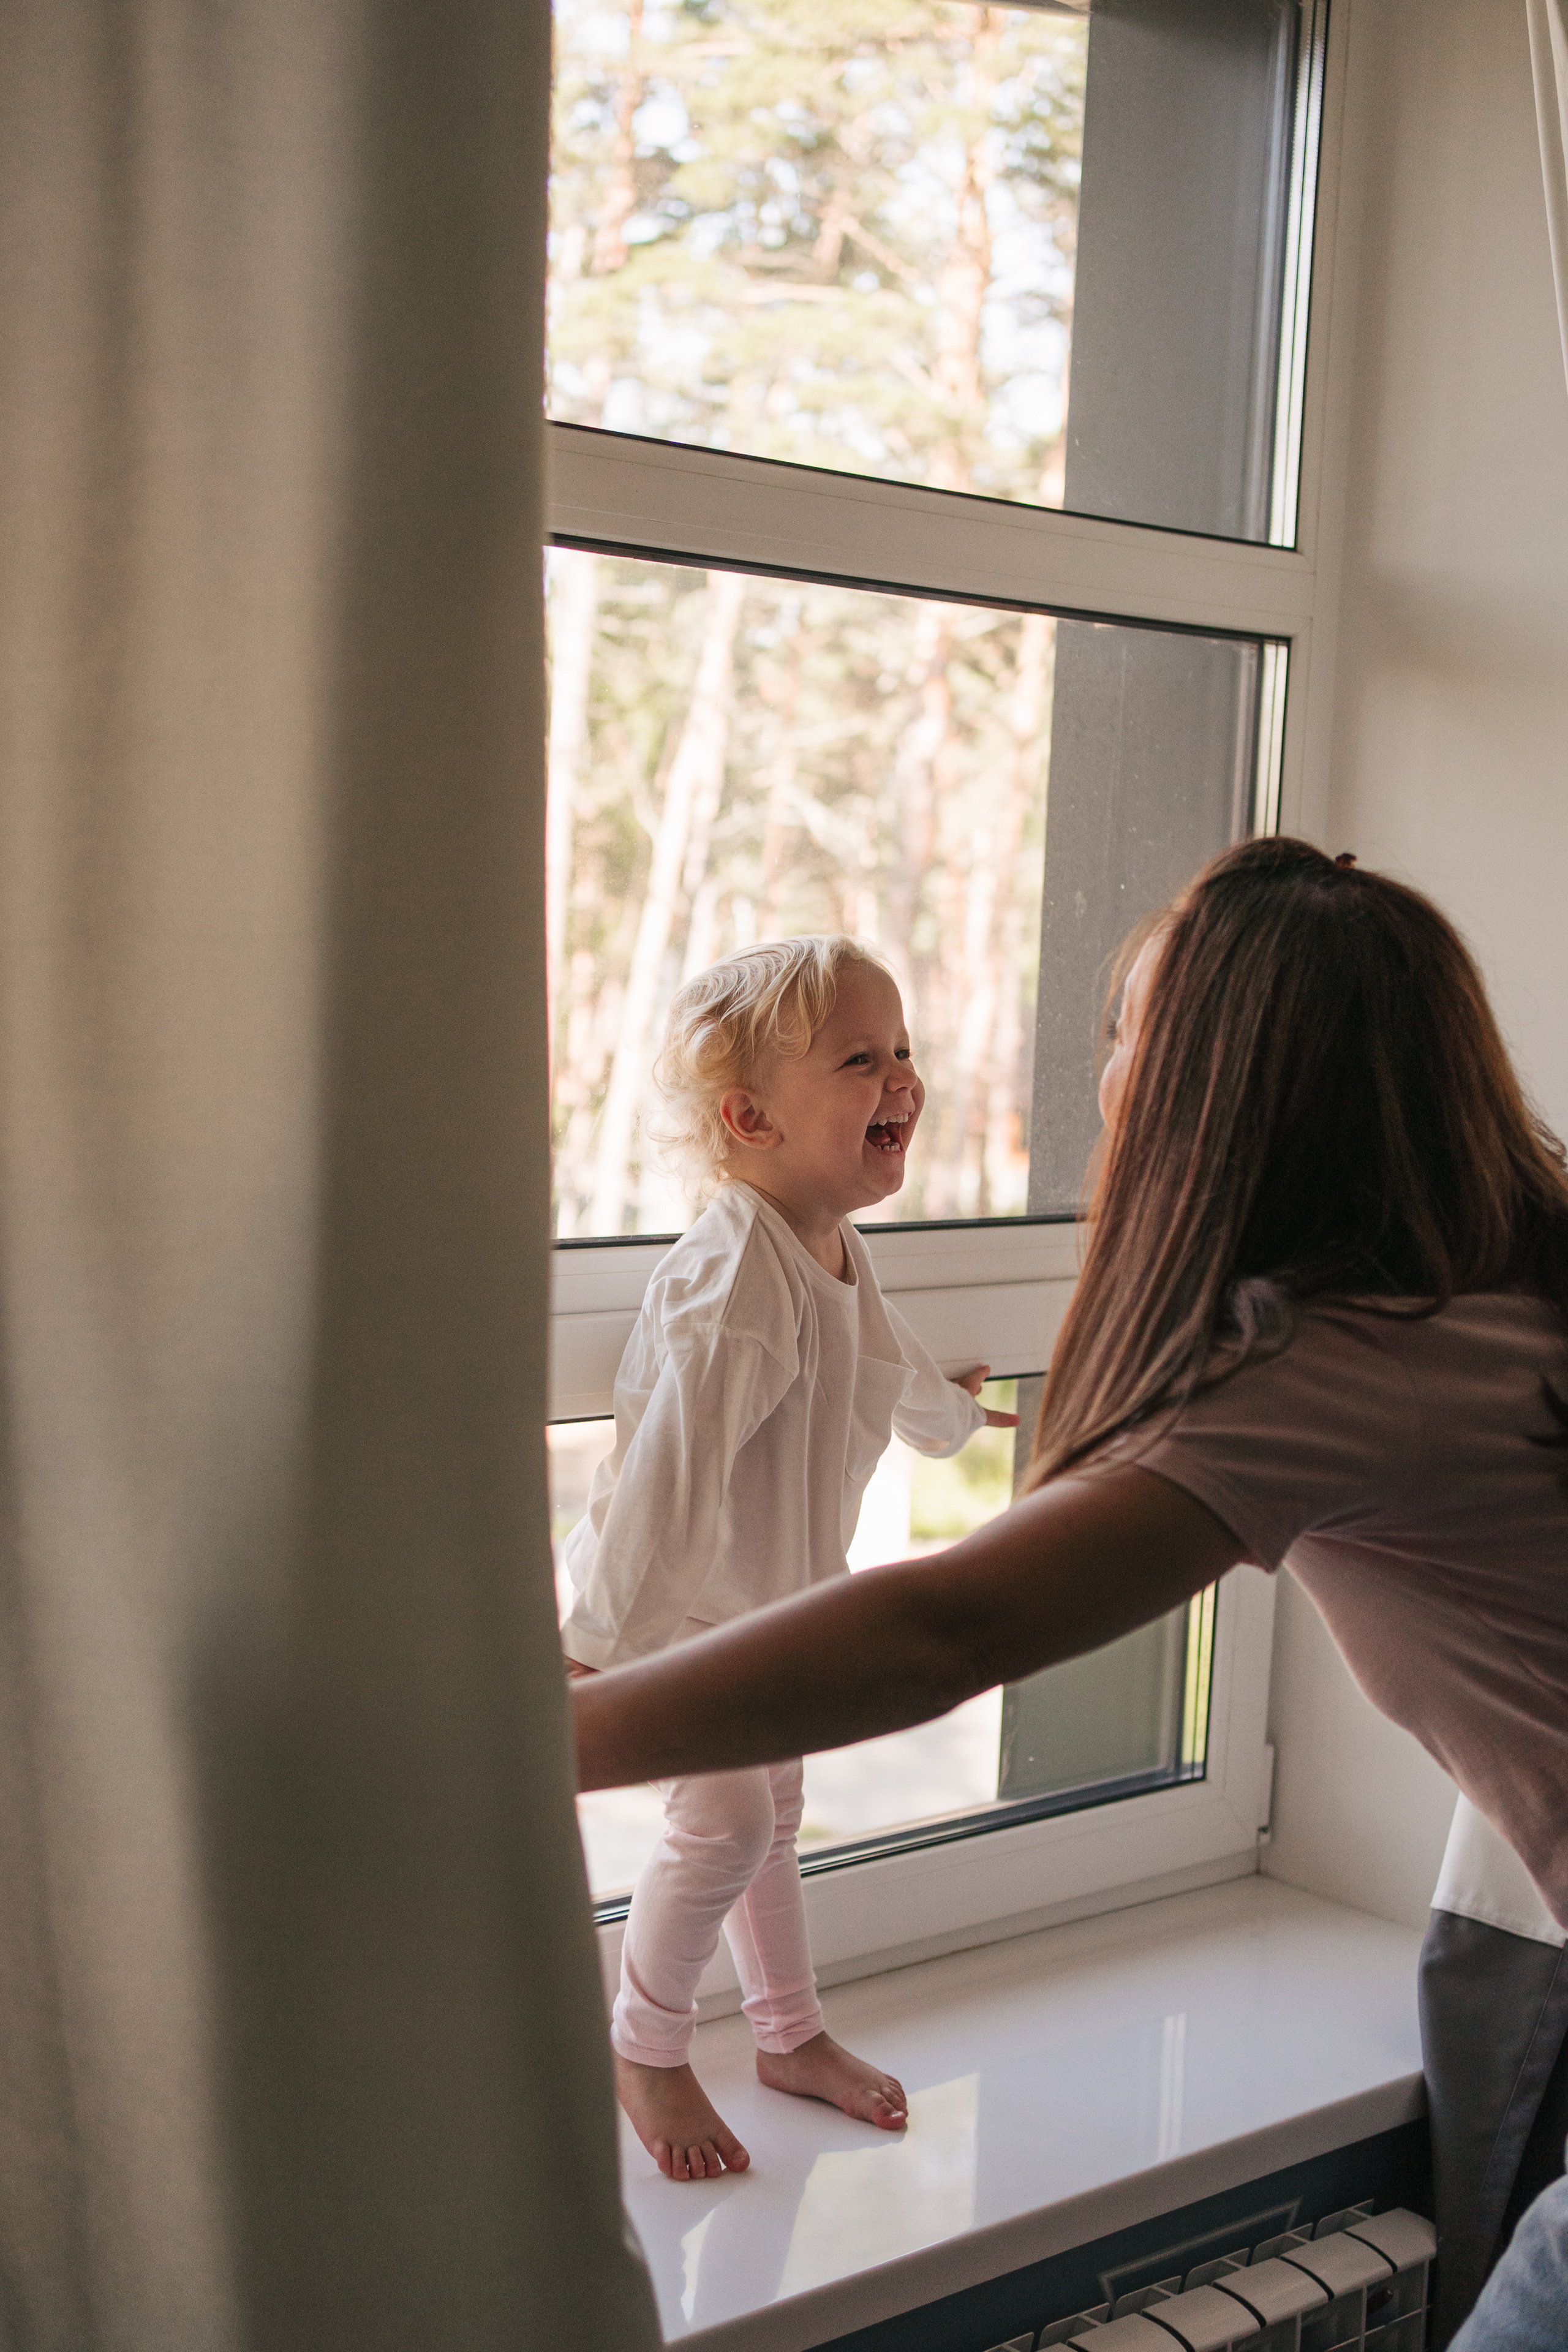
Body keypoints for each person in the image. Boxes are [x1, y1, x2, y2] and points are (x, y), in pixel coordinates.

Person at [571, 839, 1568, 2319]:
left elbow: (946, 1624)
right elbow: (674, 1479)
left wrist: (535, 1734)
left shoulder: (1339, 1359)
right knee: (749, 1816)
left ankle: (703, 2032)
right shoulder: (1500, 1274)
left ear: (1219, 1096)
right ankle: (695, 2035)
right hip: (717, 1606)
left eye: (1127, 1038)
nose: (1101, 1081)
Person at [560, 935, 1016, 2184]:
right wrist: (590, 1652)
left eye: (903, 1051)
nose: (902, 1079)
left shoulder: (829, 1248)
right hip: (680, 1617)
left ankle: (786, 2033)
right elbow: (661, 1475)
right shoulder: (730, 1277)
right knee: (720, 1823)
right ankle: (646, 2047)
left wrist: (957, 1418)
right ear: (749, 1116)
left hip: (776, 1613)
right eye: (860, 1059)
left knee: (773, 1818)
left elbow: (890, 1364)